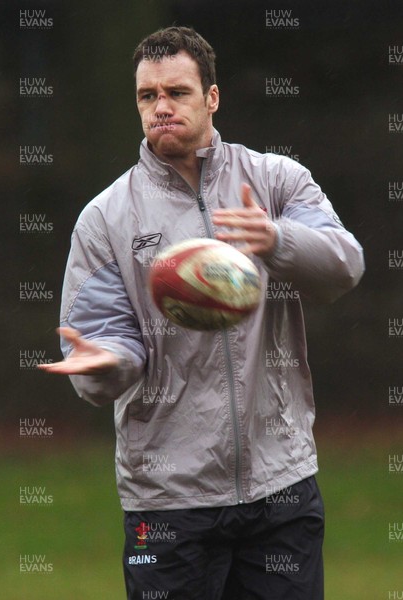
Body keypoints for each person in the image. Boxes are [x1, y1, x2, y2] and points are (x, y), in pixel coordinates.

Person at [39, 26, 364, 599]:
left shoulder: (274, 181)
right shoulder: (106, 219)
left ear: (212, 98)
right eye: (147, 96)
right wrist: (104, 362)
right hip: (167, 502)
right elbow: (105, 348)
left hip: (279, 486)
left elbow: (345, 265)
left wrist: (275, 239)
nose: (161, 107)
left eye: (177, 92)